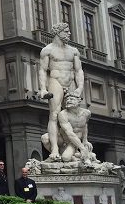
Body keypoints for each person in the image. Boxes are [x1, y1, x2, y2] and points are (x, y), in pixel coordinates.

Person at [37, 22, 84, 161]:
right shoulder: (48, 50)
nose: (69, 34)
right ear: (58, 32)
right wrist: (43, 89)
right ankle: (55, 149)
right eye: (66, 31)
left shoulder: (74, 51)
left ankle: (74, 146)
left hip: (70, 83)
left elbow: (78, 70)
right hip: (55, 82)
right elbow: (43, 70)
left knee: (72, 114)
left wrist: (80, 87)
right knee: (54, 115)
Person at [52, 93, 92, 162]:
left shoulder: (86, 113)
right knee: (45, 138)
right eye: (67, 99)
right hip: (64, 138)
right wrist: (82, 148)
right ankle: (60, 156)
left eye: (71, 99)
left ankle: (75, 155)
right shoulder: (63, 114)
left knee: (66, 158)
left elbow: (84, 125)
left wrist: (85, 140)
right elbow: (70, 133)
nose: (68, 101)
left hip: (74, 142)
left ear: (79, 101)